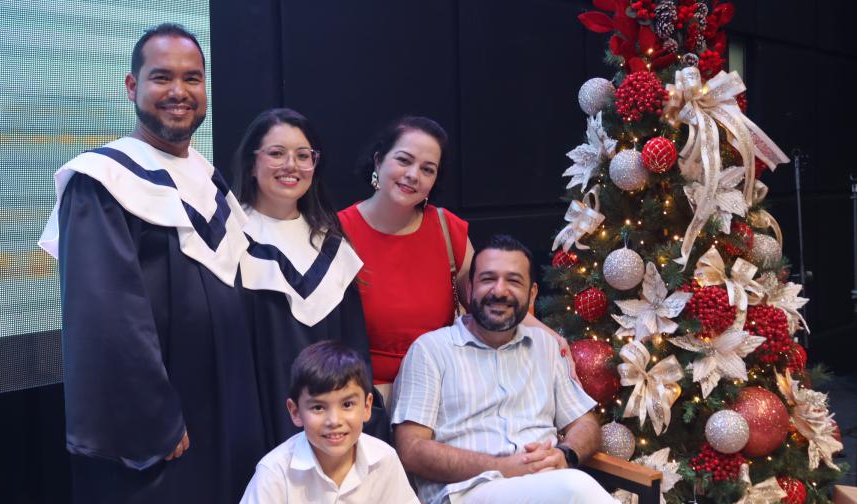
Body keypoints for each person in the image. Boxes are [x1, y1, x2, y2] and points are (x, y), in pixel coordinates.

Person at [38, 23, 263, 503]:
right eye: (162, 77)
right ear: (132, 86)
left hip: (225, 403)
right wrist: (153, 420)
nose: (179, 92)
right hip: (162, 427)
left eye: (192, 78)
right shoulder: (100, 181)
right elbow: (106, 317)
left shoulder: (208, 178)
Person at [338, 117, 574, 405]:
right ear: (378, 161)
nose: (413, 175)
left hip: (443, 392)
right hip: (363, 399)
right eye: (404, 160)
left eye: (427, 169)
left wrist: (554, 340)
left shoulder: (446, 228)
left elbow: (489, 299)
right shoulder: (338, 232)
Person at [391, 235, 618, 504]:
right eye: (488, 279)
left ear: (532, 293)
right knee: (576, 488)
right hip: (466, 493)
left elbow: (585, 423)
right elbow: (411, 448)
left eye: (513, 281)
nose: (499, 291)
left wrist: (565, 454)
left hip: (546, 486)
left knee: (572, 487)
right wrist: (503, 468)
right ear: (470, 287)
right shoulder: (430, 350)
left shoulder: (545, 346)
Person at [231, 108, 386, 446]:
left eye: (303, 156)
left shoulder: (331, 246)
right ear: (251, 164)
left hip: (329, 426)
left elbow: (354, 349)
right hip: (251, 414)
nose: (291, 165)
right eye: (276, 153)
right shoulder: (228, 239)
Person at [239, 341, 418, 504]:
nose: (334, 421)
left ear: (366, 406)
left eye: (347, 405)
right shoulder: (274, 472)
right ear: (295, 412)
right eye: (318, 407)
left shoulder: (384, 459)